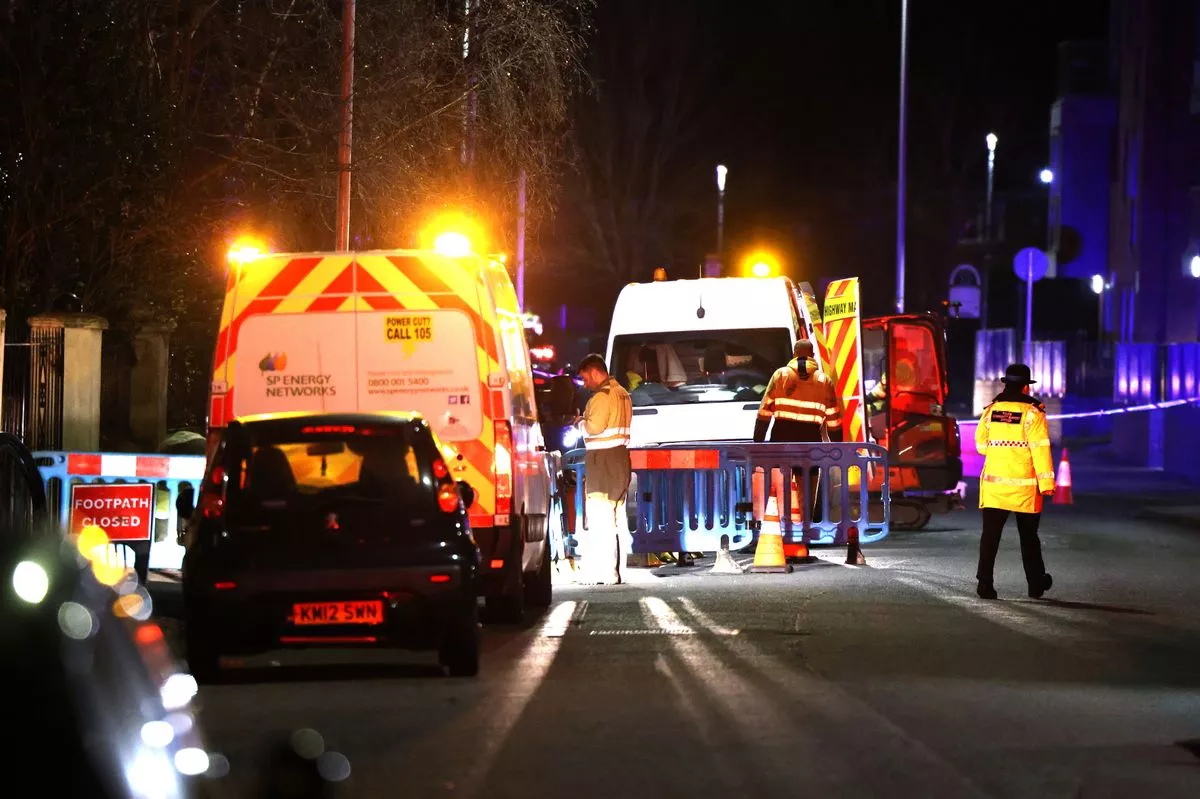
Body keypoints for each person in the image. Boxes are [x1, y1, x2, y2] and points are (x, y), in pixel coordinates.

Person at [975, 363, 1056, 600]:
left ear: (1005, 384)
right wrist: (1047, 484)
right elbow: (1040, 450)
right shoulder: (1033, 413)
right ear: (1025, 387)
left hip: (994, 487)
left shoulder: (992, 410)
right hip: (1025, 488)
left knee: (990, 537)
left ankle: (985, 585)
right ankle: (1036, 584)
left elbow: (981, 446)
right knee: (1029, 538)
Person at [753, 340, 842, 522]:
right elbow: (833, 417)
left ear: (794, 354)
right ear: (812, 356)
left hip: (781, 439)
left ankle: (778, 525)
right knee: (807, 490)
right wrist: (838, 445)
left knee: (779, 486)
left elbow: (764, 411)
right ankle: (805, 527)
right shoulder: (824, 380)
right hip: (810, 442)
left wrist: (758, 441)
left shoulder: (780, 375)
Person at [575, 353, 633, 585]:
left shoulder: (601, 396)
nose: (585, 383)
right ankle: (617, 570)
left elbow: (594, 427)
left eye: (585, 377)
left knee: (601, 518)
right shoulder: (623, 394)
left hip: (603, 461)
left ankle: (605, 572)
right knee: (617, 517)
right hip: (620, 459)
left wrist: (579, 422)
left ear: (594, 372)